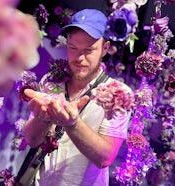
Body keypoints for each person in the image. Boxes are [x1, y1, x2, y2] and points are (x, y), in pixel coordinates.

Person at [22, 9, 133, 186]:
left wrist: (73, 123)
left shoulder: (118, 93)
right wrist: (43, 118)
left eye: (89, 50)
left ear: (105, 48)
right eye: (73, 48)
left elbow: (105, 158)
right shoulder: (51, 82)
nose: (79, 57)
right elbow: (31, 140)